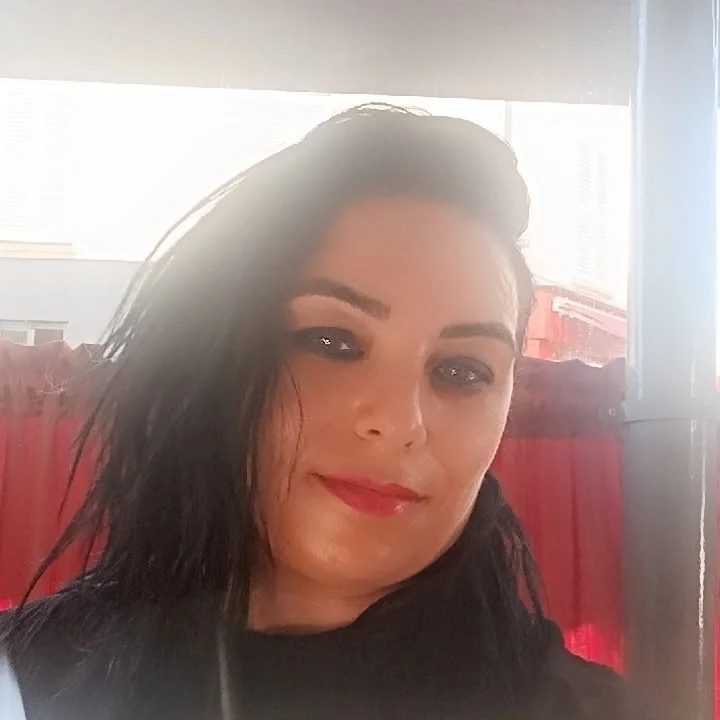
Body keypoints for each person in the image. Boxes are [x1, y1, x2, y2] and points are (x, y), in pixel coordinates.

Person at [0, 104, 649, 720]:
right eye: (332, 341)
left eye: (461, 371)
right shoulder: (22, 683)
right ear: (210, 359)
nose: (399, 422)